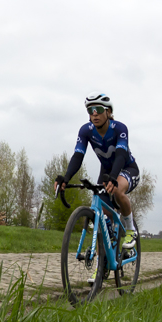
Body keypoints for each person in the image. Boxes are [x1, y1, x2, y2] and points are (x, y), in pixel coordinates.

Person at [55, 92, 141, 251]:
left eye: (99, 109)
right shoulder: (85, 131)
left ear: (108, 112)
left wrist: (114, 177)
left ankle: (130, 229)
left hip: (127, 168)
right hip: (107, 172)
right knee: (100, 212)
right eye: (90, 110)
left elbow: (121, 155)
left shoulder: (119, 129)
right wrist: (66, 178)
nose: (94, 113)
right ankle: (103, 261)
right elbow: (78, 155)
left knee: (117, 191)